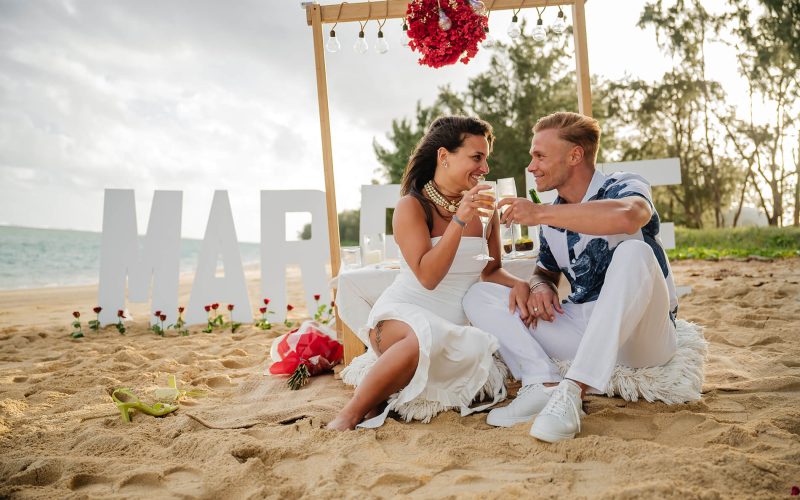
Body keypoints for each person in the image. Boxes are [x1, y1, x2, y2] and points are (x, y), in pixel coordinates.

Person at [464, 111, 678, 443]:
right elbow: (544, 271)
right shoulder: (552, 214)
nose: (531, 166)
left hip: (644, 339)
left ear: (575, 155)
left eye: (539, 156)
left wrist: (538, 212)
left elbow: (630, 216)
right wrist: (539, 285)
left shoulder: (622, 184)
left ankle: (572, 390)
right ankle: (543, 381)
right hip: (585, 328)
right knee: (478, 295)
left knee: (635, 252)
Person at [327, 116, 528, 430]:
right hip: (401, 318)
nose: (485, 168)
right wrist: (459, 221)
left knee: (450, 339)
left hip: (454, 325)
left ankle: (384, 393)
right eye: (477, 157)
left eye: (486, 159)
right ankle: (348, 416)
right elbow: (427, 276)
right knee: (423, 338)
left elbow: (491, 272)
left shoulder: (486, 211)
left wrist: (522, 285)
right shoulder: (411, 207)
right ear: (444, 157)